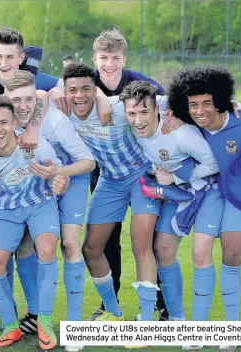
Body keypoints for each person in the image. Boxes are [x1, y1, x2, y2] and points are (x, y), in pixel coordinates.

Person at [62, 63, 177, 325]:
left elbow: (180, 97)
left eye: (86, 89)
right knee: (91, 248)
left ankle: (147, 318)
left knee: (141, 244)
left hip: (141, 177)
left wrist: (232, 106)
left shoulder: (118, 107)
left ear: (95, 89)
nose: (79, 95)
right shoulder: (63, 112)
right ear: (65, 92)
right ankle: (112, 312)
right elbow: (32, 95)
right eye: (72, 90)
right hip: (109, 181)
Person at [168, 65, 241, 352]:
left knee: (231, 254)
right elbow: (152, 101)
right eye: (193, 105)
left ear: (220, 102)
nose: (200, 111)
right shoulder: (190, 125)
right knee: (200, 252)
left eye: (206, 104)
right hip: (214, 194)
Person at [120, 81, 224, 350]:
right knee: (163, 250)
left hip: (206, 190)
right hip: (175, 193)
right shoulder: (134, 125)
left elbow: (214, 162)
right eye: (132, 114)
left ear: (158, 110)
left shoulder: (179, 133)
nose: (138, 120)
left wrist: (176, 177)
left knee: (201, 253)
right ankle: (177, 320)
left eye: (144, 112)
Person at [0, 95, 69, 349]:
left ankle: (44, 321)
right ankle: (10, 326)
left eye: (4, 122)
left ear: (13, 124)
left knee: (46, 250)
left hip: (41, 204)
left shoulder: (35, 145)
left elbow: (60, 174)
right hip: (7, 210)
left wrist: (61, 182)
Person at [3, 70, 95, 348]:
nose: (22, 106)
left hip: (72, 177)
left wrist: (60, 172)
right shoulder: (2, 112)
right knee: (23, 246)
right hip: (40, 184)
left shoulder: (55, 121)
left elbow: (88, 162)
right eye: (16, 100)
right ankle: (35, 314)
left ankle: (75, 326)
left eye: (29, 99)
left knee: (69, 244)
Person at [88, 28, 168, 321]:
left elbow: (173, 100)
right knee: (106, 240)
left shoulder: (142, 84)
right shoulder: (87, 82)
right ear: (94, 58)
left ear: (124, 59)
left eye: (115, 58)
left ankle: (160, 302)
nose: (109, 64)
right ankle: (111, 302)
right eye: (104, 57)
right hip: (106, 172)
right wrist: (97, 94)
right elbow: (54, 87)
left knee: (150, 239)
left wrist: (232, 103)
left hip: (144, 170)